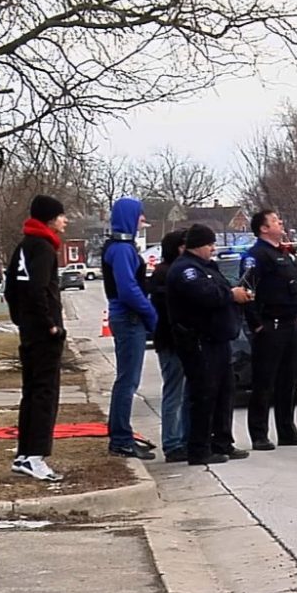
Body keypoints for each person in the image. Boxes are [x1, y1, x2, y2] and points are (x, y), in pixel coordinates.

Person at [167, 224, 252, 465]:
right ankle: (199, 449)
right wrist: (230, 295)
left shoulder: (207, 267)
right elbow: (205, 296)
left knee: (224, 392)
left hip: (218, 340)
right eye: (209, 244)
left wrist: (236, 295)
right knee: (204, 395)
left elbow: (220, 289)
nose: (213, 248)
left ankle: (222, 442)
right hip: (198, 341)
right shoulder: (186, 270)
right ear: (198, 245)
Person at [3, 195, 69, 481]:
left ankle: (23, 454)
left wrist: (22, 321)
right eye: (61, 216)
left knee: (31, 391)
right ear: (50, 218)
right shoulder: (43, 248)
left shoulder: (23, 247)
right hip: (43, 333)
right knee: (45, 393)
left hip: (29, 331)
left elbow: (11, 290)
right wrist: (50, 325)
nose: (65, 220)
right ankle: (35, 456)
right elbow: (37, 290)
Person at [240, 210, 297, 451]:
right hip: (269, 326)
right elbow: (246, 292)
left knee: (289, 380)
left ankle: (287, 430)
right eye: (275, 221)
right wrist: (257, 324)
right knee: (264, 382)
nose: (280, 223)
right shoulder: (256, 256)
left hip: (291, 323)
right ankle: (259, 434)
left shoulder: (286, 253)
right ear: (263, 228)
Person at [103, 197, 158, 459]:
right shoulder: (122, 249)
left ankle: (120, 433)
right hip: (128, 318)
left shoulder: (120, 246)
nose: (142, 220)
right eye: (139, 215)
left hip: (127, 318)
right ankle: (121, 438)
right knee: (128, 380)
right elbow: (128, 290)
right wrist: (151, 315)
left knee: (126, 379)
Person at [148, 229, 189, 463]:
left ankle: (184, 438)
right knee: (174, 392)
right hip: (170, 341)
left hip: (183, 340)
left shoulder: (179, 270)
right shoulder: (164, 273)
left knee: (185, 393)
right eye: (184, 246)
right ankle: (172, 443)